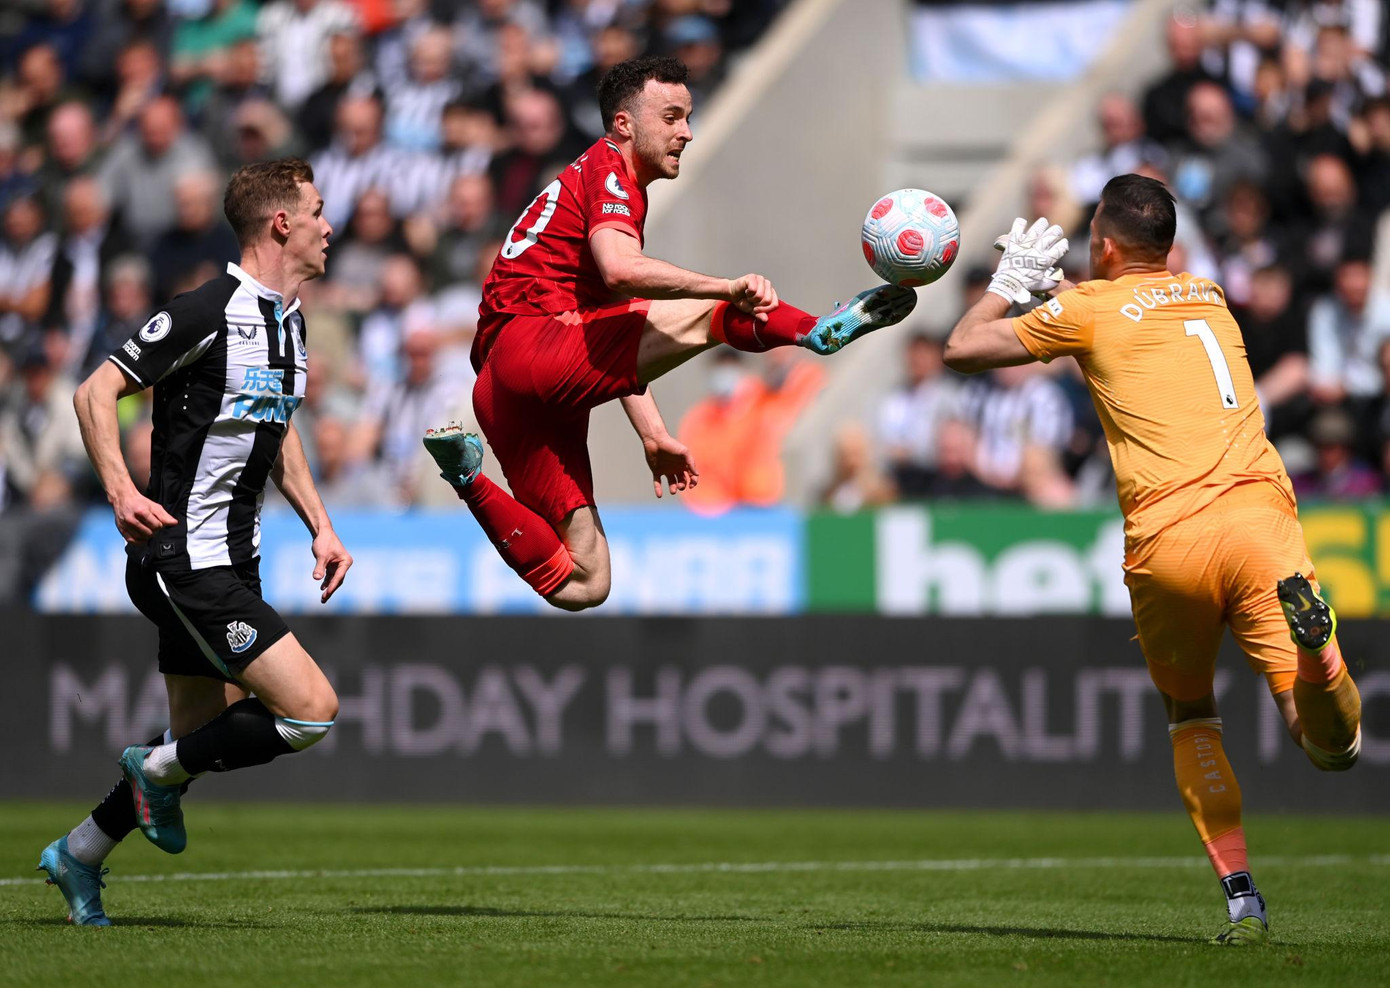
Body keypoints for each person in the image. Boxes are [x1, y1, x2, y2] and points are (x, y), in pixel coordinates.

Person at [943, 174, 1362, 945]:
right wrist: (1064, 289)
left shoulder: (1087, 310)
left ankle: (1242, 900)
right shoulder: (1209, 296)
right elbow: (1133, 330)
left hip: (1170, 541)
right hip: (1261, 524)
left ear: (1103, 242)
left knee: (1192, 714)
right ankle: (1321, 662)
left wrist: (1011, 285)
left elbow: (964, 347)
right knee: (1329, 747)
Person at [422, 56, 915, 611]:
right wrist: (724, 287)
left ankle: (467, 477)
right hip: (535, 346)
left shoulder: (593, 181)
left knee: (586, 581)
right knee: (711, 313)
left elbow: (619, 321)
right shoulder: (611, 172)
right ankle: (816, 332)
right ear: (624, 124)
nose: (686, 132)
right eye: (673, 116)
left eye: (688, 117)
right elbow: (621, 270)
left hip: (501, 387)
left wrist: (652, 433)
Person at [39, 158, 353, 926]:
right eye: (318, 210)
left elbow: (276, 432)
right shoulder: (205, 311)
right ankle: (154, 771)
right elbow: (94, 391)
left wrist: (321, 523)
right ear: (282, 223)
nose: (329, 224)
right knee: (309, 711)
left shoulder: (291, 320)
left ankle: (79, 853)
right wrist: (120, 490)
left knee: (202, 734)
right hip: (183, 558)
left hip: (230, 558)